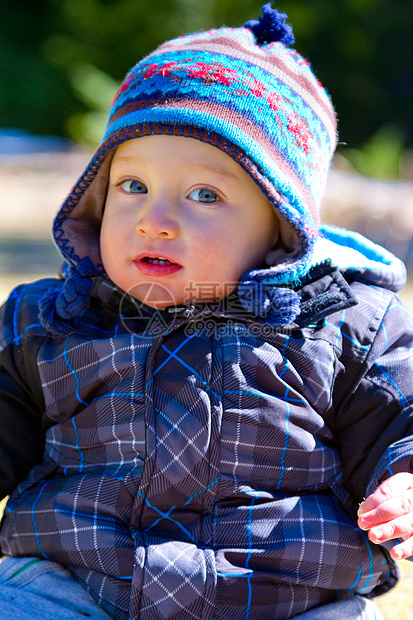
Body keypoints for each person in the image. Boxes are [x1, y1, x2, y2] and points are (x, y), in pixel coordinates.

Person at [0, 4, 412, 619]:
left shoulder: (343, 325)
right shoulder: (53, 317)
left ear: (282, 228)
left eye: (204, 195)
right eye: (132, 185)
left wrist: (404, 480)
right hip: (77, 582)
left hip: (290, 596)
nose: (154, 221)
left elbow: (398, 419)